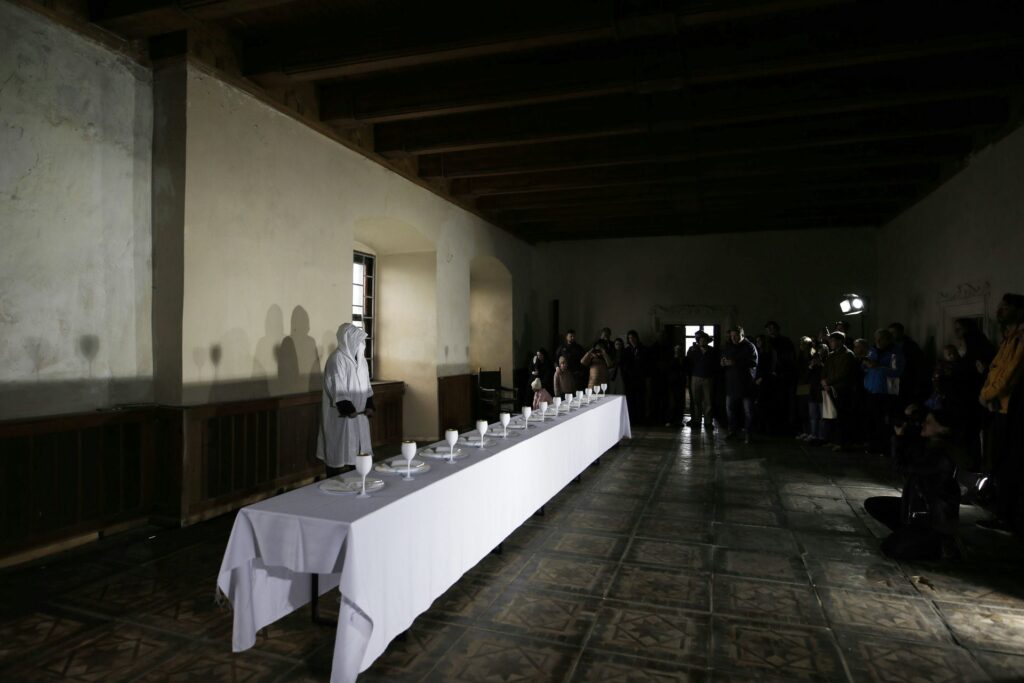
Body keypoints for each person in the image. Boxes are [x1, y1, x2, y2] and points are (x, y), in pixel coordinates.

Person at [863, 409, 964, 560]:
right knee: (874, 504)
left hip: (933, 520)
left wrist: (899, 439)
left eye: (929, 422)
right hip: (917, 509)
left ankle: (940, 546)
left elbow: (903, 467)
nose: (923, 424)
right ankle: (909, 533)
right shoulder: (929, 446)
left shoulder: (941, 456)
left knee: (890, 549)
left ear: (943, 429)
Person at [977, 293, 1024, 534]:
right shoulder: (1009, 338)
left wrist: (987, 395)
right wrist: (987, 395)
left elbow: (1010, 374)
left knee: (1010, 463)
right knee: (1000, 461)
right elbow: (995, 370)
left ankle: (1008, 518)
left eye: (1005, 307)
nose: (999, 311)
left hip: (1012, 409)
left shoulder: (1020, 339)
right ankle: (1002, 513)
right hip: (1000, 406)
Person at [316, 323, 374, 476]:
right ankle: (334, 481)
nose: (359, 344)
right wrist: (348, 409)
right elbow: (338, 388)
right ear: (347, 340)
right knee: (339, 451)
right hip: (342, 417)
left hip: (359, 416)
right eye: (356, 341)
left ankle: (358, 480)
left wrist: (369, 404)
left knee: (359, 453)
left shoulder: (362, 361)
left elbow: (367, 386)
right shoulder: (337, 360)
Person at [862, 328, 905, 455]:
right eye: (876, 339)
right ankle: (872, 445)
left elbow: (897, 371)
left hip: (886, 392)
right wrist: (865, 364)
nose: (878, 342)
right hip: (871, 390)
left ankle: (885, 448)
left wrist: (878, 367)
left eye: (881, 339)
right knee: (871, 420)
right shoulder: (872, 350)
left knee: (884, 422)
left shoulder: (895, 352)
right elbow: (865, 367)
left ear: (888, 340)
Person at [821, 331, 860, 451]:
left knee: (842, 418)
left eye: (833, 341)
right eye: (830, 341)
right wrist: (823, 380)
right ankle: (833, 440)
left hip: (842, 390)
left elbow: (843, 373)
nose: (830, 343)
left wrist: (828, 382)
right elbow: (825, 370)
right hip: (830, 389)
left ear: (841, 341)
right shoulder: (831, 355)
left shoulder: (848, 355)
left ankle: (842, 443)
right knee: (831, 417)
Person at [721, 326, 758, 443]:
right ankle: (732, 432)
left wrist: (735, 362)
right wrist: (723, 362)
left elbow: (753, 362)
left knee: (748, 411)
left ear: (742, 335)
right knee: (730, 410)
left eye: (735, 336)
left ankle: (748, 434)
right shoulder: (729, 346)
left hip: (746, 384)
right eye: (731, 336)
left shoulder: (750, 346)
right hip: (732, 384)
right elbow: (725, 359)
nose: (733, 338)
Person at [765, 321, 798, 434]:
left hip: (783, 377)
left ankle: (783, 428)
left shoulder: (785, 341)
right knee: (772, 403)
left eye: (772, 328)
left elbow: (789, 358)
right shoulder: (767, 342)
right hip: (770, 378)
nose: (770, 330)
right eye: (768, 328)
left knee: (783, 402)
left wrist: (780, 371)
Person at [687, 332, 719, 432]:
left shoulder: (713, 351)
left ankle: (708, 422)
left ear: (707, 341)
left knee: (708, 401)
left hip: (708, 378)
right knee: (696, 400)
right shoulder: (693, 350)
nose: (702, 341)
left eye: (704, 340)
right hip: (695, 377)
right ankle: (697, 420)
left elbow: (716, 364)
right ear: (698, 341)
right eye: (700, 340)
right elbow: (688, 362)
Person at [620, 330, 648, 423]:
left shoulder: (643, 349)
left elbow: (646, 363)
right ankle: (632, 419)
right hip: (630, 379)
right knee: (630, 400)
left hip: (640, 378)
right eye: (629, 338)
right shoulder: (626, 350)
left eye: (633, 337)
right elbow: (623, 365)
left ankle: (640, 419)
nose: (631, 339)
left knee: (640, 400)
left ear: (636, 338)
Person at [665, 344, 687, 427]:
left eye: (679, 350)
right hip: (672, 383)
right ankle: (669, 420)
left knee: (680, 402)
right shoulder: (671, 359)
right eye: (676, 349)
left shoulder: (683, 359)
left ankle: (678, 420)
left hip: (680, 383)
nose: (678, 351)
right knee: (672, 402)